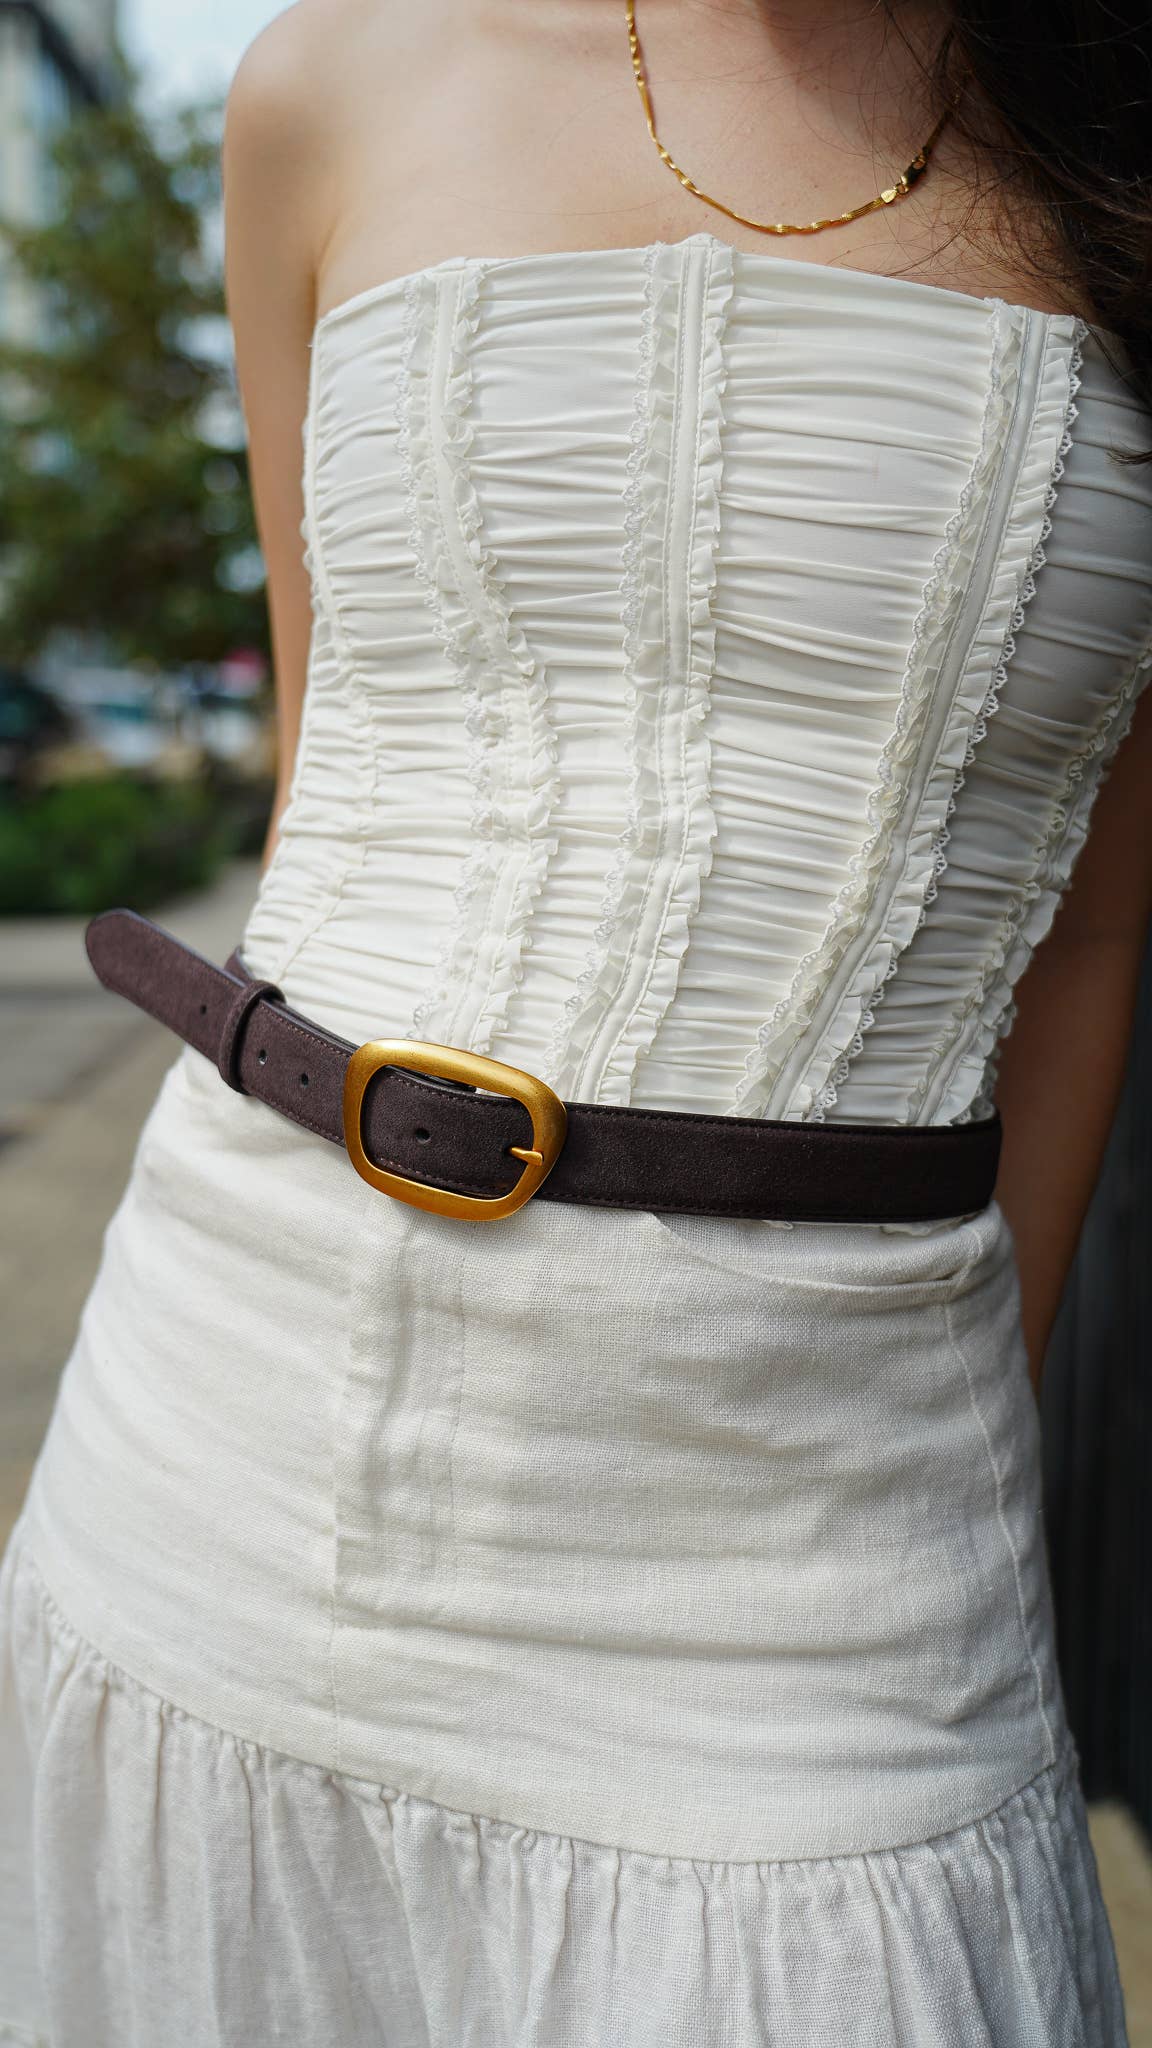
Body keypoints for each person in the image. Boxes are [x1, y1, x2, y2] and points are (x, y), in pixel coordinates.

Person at [3, 0, 1152, 2039]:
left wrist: (956, 1444)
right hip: (216, 1432)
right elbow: (320, 767)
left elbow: (1084, 945)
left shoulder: (1120, 148)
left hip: (815, 1552)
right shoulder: (328, 86)